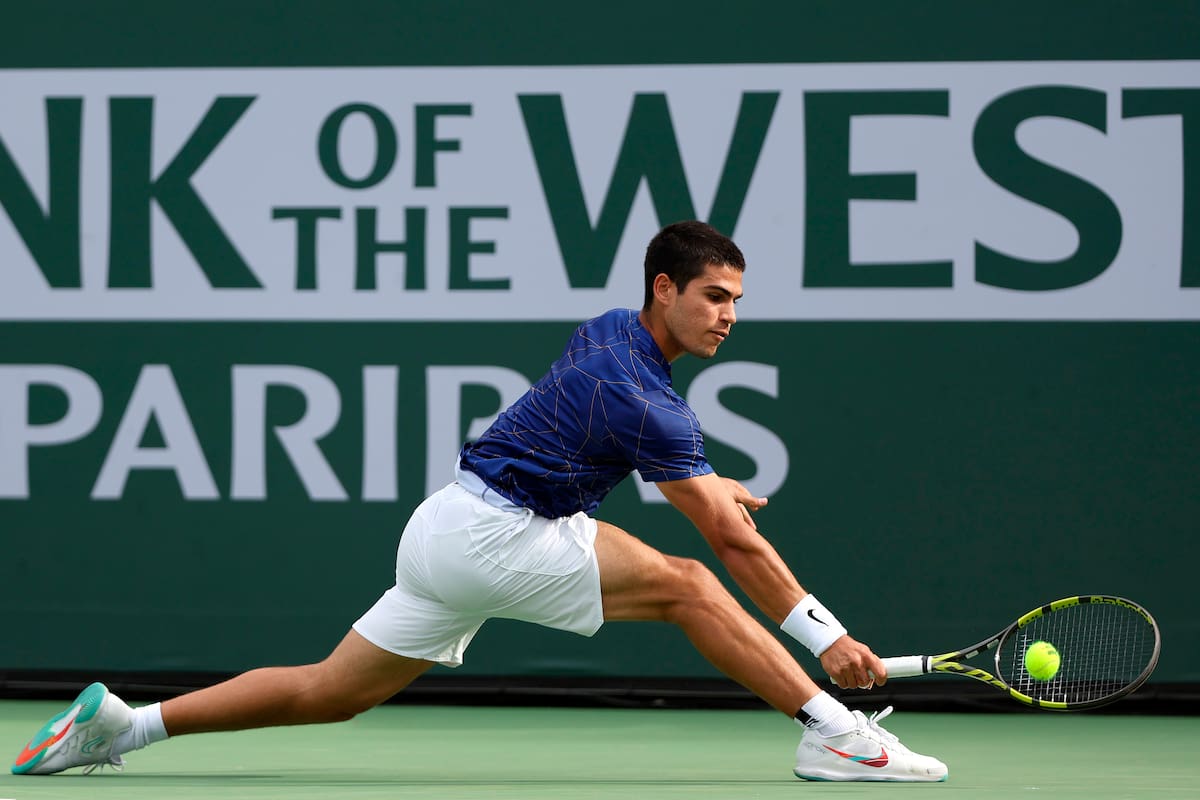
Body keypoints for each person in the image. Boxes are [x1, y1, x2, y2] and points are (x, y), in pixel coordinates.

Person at [11, 220, 947, 782]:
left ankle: (124, 724)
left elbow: (612, 443)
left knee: (329, 692)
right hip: (498, 535)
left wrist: (705, 484)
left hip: (446, 528)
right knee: (692, 586)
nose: (728, 316)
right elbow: (731, 544)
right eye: (712, 296)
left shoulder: (613, 331)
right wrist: (828, 640)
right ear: (664, 289)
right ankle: (834, 733)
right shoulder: (648, 401)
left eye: (736, 299)